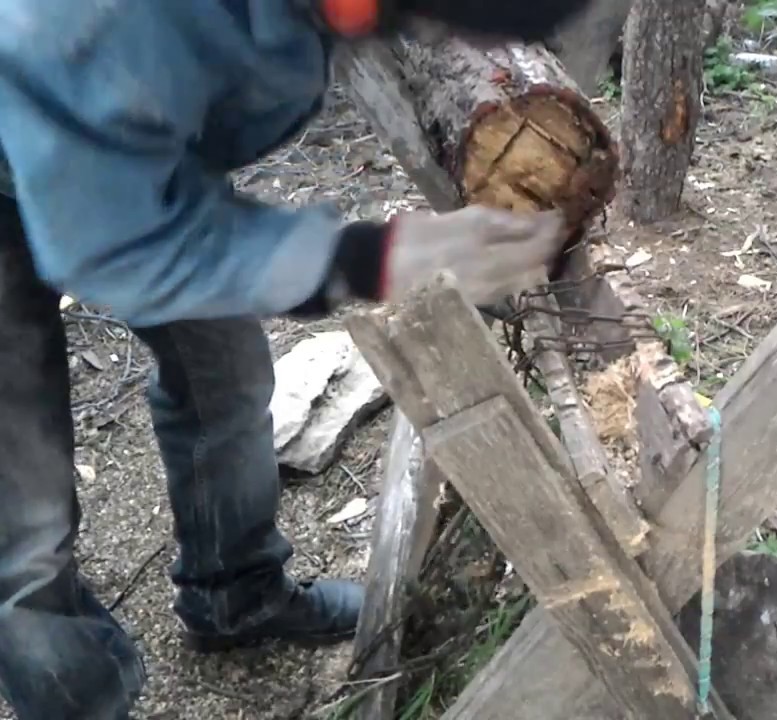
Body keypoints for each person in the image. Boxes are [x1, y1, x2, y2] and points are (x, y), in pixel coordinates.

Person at [0, 0, 591, 717]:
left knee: (226, 376)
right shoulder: (109, 21)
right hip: (32, 131)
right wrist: (359, 260)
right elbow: (107, 242)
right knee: (23, 523)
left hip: (120, 135)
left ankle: (235, 595)